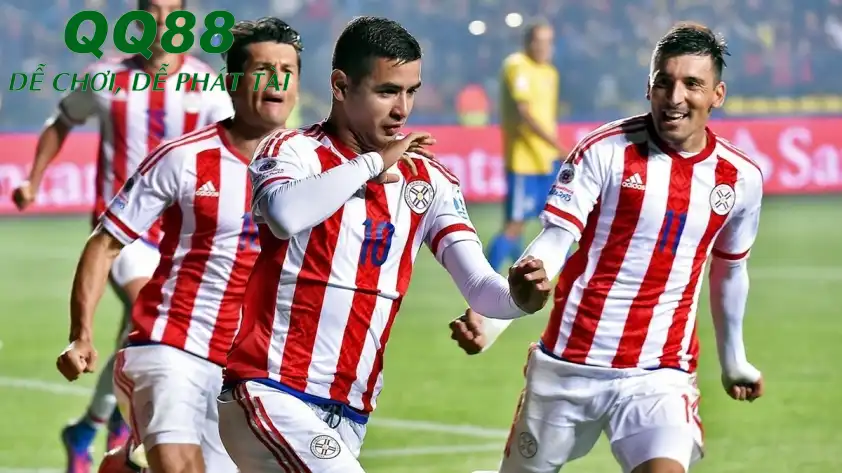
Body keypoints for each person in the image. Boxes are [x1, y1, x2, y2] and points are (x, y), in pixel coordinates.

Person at [215, 16, 552, 473]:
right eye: (387, 91)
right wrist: (374, 162)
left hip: (350, 410)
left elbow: (479, 287)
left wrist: (519, 300)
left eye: (411, 91)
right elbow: (283, 214)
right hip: (269, 389)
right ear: (341, 86)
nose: (402, 110)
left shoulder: (428, 181)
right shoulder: (293, 151)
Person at [451, 23, 765, 473]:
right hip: (568, 365)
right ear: (649, 87)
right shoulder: (604, 150)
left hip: (660, 373)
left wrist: (734, 361)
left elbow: (730, 270)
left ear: (717, 94)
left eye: (692, 84)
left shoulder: (740, 178)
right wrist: (500, 312)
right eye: (664, 82)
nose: (675, 97)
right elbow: (554, 242)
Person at [55, 16, 303, 473]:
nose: (277, 81)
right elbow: (104, 243)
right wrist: (81, 334)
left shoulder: (317, 170)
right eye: (262, 69)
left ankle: (123, 465)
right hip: (170, 346)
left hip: (245, 371)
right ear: (232, 82)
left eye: (287, 71)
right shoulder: (184, 158)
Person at [12, 2, 233, 471]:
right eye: (153, 10)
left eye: (172, 12)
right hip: (121, 231)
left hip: (180, 238)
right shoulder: (105, 78)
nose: (162, 21)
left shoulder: (209, 86)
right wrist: (33, 179)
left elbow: (233, 148)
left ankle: (89, 426)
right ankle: (127, 422)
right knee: (146, 309)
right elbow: (62, 121)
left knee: (137, 326)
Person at [486, 19, 567, 273]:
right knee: (515, 226)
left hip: (548, 161)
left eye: (549, 42)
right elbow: (525, 113)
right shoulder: (517, 65)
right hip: (523, 162)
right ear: (527, 42)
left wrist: (555, 150)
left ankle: (557, 283)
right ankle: (482, 279)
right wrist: (559, 145)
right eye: (539, 41)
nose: (544, 47)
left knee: (557, 225)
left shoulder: (550, 73)